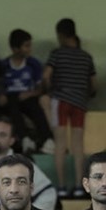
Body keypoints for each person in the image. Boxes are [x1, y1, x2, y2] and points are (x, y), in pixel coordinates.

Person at [43, 19, 96, 196]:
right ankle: (80, 186)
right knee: (78, 145)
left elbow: (46, 76)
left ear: (61, 35)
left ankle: (61, 186)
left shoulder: (56, 54)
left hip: (61, 100)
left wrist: (48, 90)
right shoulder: (86, 57)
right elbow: (93, 85)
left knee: (60, 143)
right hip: (80, 102)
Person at [0, 29, 52, 149]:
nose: (29, 49)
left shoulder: (33, 64)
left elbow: (40, 89)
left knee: (36, 108)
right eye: (26, 46)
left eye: (30, 45)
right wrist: (2, 95)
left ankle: (47, 140)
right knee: (12, 105)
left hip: (28, 96)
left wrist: (29, 94)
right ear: (15, 49)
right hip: (10, 98)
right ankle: (24, 139)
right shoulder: (3, 65)